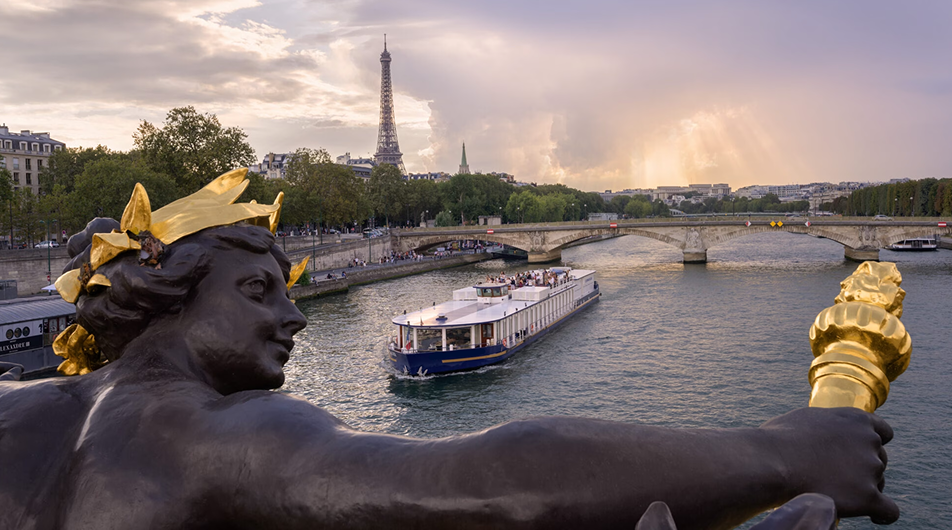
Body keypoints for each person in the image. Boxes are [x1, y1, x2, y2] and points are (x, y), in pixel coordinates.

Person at [0, 171, 898, 530]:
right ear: (169, 293)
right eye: (259, 289)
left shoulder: (22, 407)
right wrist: (781, 451)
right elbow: (488, 478)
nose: (295, 315)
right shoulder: (203, 433)